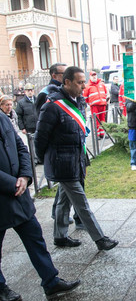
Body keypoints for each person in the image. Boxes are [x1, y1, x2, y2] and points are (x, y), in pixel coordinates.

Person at [34, 66, 119, 251]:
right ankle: (100, 239)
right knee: (81, 203)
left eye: (84, 82)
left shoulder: (79, 101)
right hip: (62, 163)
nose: (83, 86)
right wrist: (47, 160)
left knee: (64, 200)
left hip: (75, 159)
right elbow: (40, 138)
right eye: (79, 82)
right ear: (66, 82)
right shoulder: (52, 106)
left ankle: (60, 236)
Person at [0, 111, 80, 301]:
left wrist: (26, 175)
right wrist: (12, 183)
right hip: (5, 194)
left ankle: (51, 281)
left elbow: (20, 146)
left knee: (35, 238)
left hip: (19, 194)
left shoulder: (2, 116)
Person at [34, 63, 82, 228]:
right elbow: (42, 129)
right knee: (73, 192)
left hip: (74, 151)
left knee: (65, 192)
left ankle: (60, 230)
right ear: (55, 76)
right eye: (62, 73)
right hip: (61, 153)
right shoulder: (48, 95)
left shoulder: (73, 95)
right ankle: (92, 231)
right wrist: (44, 156)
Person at [83, 71, 108, 139]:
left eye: (95, 75)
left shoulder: (101, 84)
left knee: (102, 119)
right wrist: (90, 103)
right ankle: (97, 135)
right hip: (94, 105)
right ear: (90, 77)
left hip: (102, 104)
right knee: (96, 120)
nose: (94, 76)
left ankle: (102, 133)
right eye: (92, 75)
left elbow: (105, 93)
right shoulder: (87, 86)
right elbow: (85, 97)